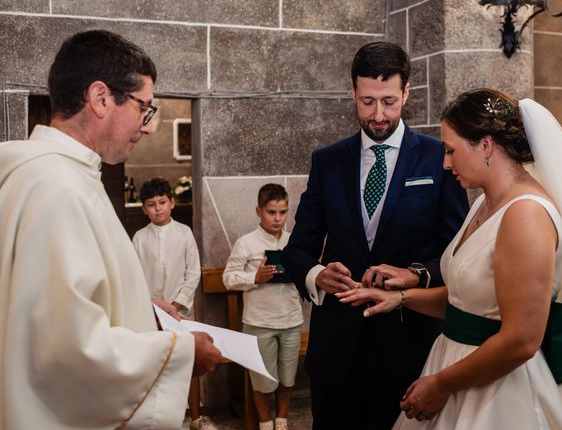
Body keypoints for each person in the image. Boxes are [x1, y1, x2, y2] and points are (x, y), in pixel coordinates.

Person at [338, 88, 562, 429]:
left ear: (485, 145)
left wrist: (442, 384)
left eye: (451, 151)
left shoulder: (525, 215)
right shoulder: (484, 203)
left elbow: (522, 339)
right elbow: (471, 301)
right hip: (457, 362)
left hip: (503, 390)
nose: (445, 163)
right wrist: (400, 298)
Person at [0, 29, 223, 429]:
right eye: (145, 108)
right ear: (101, 98)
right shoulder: (58, 188)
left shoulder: (52, 175)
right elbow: (67, 350)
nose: (150, 127)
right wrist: (183, 354)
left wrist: (138, 304)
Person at [281, 41, 469, 430]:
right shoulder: (327, 160)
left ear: (406, 93)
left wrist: (415, 274)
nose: (378, 115)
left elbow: (459, 253)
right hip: (336, 350)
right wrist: (317, 276)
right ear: (352, 92)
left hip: (409, 347)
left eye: (388, 101)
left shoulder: (438, 158)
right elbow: (298, 249)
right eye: (367, 102)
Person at [132, 177, 215, 430]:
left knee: (187, 362)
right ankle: (161, 419)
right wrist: (154, 305)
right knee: (156, 364)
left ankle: (195, 418)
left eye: (162, 202)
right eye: (151, 204)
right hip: (150, 312)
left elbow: (193, 273)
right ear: (144, 209)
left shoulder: (184, 232)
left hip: (181, 311)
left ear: (172, 203)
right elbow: (133, 274)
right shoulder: (139, 237)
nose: (157, 208)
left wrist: (177, 305)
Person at [223, 184, 303, 430]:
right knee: (262, 380)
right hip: (259, 322)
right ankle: (265, 423)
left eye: (282, 212)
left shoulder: (295, 241)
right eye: (271, 212)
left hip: (291, 320)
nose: (278, 218)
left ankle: (282, 420)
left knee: (288, 378)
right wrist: (254, 278)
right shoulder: (246, 243)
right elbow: (228, 278)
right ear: (259, 211)